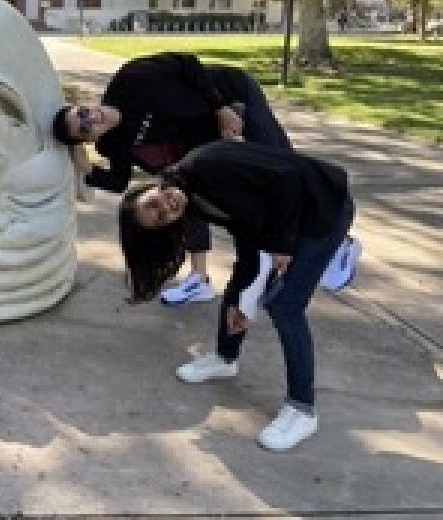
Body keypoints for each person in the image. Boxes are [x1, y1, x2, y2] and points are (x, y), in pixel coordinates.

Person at [119, 140, 356, 451]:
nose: (165, 208)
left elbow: (288, 178)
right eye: (160, 218)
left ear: (152, 186)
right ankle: (224, 357)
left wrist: (282, 247)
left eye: (153, 204)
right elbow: (248, 226)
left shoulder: (204, 165)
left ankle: (302, 409)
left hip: (324, 206)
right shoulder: (196, 200)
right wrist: (247, 292)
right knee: (241, 282)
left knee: (285, 306)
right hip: (285, 218)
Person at [51, 52, 290, 306]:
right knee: (186, 199)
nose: (91, 119)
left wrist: (220, 109)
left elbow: (187, 62)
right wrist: (87, 170)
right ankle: (202, 278)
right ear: (89, 139)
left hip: (232, 94)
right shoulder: (113, 145)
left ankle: (324, 241)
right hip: (207, 139)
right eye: (85, 129)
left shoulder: (129, 80)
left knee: (283, 165)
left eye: (83, 113)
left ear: (82, 104)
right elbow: (119, 182)